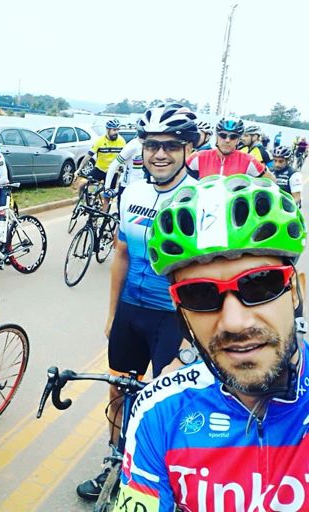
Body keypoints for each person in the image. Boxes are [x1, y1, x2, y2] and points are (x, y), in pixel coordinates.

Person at [115, 174, 308, 511]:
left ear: (295, 291)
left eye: (259, 284)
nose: (234, 322)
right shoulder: (158, 412)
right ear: (180, 312)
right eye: (200, 294)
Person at [76, 103, 199, 501]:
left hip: (174, 319)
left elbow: (204, 275)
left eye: (170, 145)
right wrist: (112, 314)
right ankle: (114, 462)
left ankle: (158, 479)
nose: (159, 154)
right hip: (131, 310)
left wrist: (192, 337)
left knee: (164, 404)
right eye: (151, 145)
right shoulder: (133, 192)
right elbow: (122, 255)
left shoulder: (199, 198)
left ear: (188, 149)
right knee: (119, 390)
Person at [75, 119, 126, 211]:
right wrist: (79, 169)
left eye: (117, 130)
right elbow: (88, 156)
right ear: (107, 130)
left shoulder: (121, 141)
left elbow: (125, 158)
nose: (116, 132)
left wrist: (122, 169)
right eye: (114, 130)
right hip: (99, 169)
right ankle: (82, 202)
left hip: (112, 172)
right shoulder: (100, 141)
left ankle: (102, 216)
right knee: (82, 184)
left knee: (107, 197)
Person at [103, 133, 143, 213]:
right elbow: (114, 165)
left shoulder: (151, 146)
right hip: (127, 188)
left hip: (142, 188)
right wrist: (107, 187)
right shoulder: (133, 145)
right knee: (123, 217)